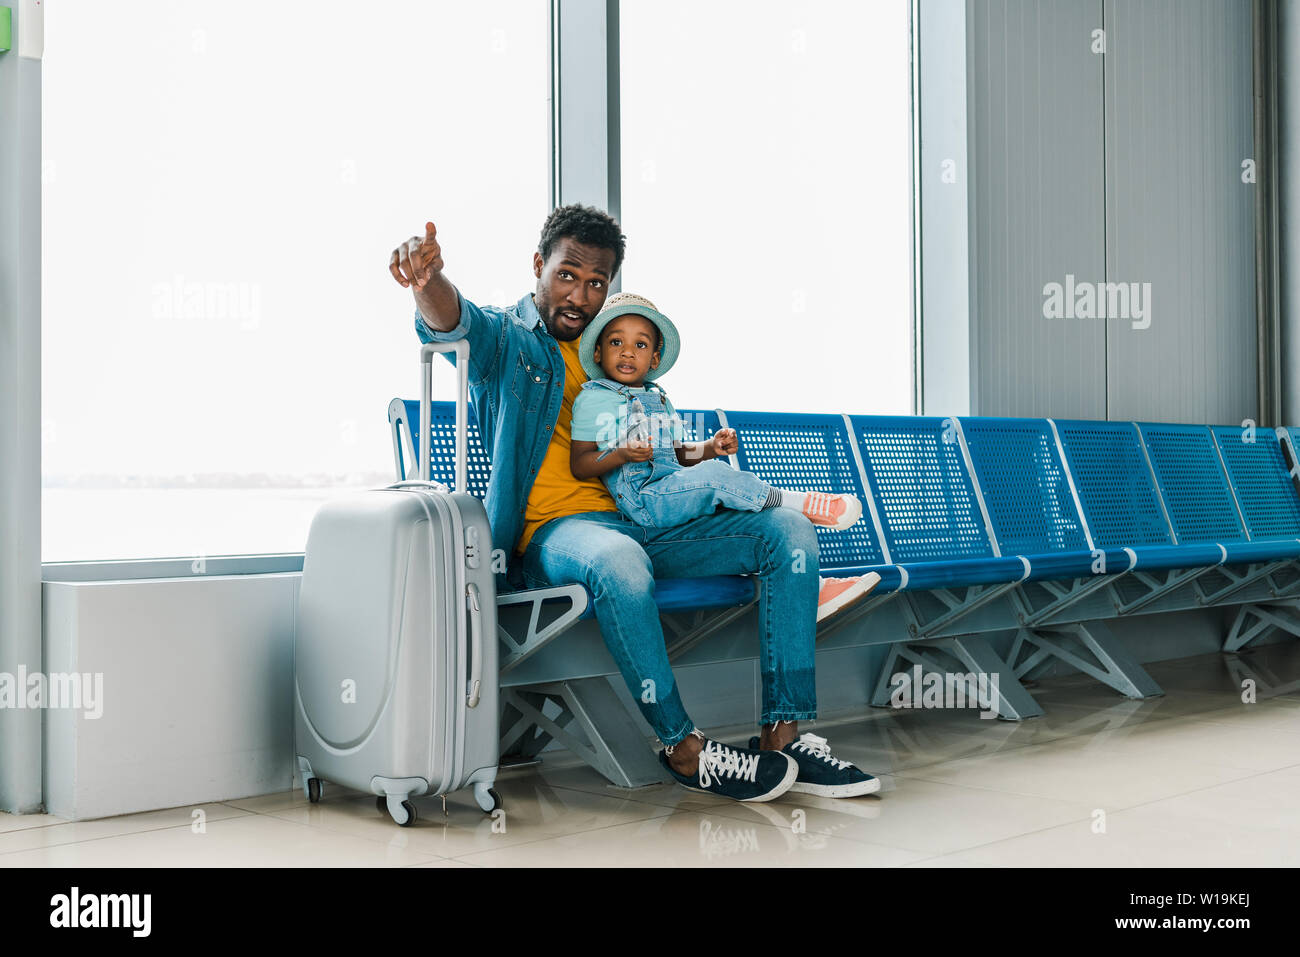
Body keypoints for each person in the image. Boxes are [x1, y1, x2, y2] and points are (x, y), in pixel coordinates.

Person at [389, 205, 881, 802]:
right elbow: (452, 322)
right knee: (620, 559)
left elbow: (659, 452)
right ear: (539, 266)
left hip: (642, 521)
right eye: (567, 275)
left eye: (597, 283)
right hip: (558, 537)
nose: (580, 294)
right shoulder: (511, 342)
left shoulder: (614, 354)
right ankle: (682, 747)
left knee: (787, 531)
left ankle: (783, 739)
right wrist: (426, 280)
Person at [569, 292, 883, 622]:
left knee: (752, 521)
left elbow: (676, 455)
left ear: (655, 359)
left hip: (674, 492)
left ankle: (811, 590)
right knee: (717, 477)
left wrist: (708, 448)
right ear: (598, 351)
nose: (628, 351)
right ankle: (797, 502)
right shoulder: (594, 400)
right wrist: (620, 453)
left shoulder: (660, 400)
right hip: (646, 502)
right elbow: (581, 464)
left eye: (641, 345)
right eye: (616, 342)